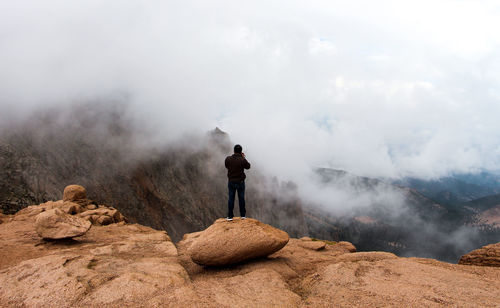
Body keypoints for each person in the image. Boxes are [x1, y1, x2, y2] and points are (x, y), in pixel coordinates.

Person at [224, 144, 251, 221]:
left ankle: (230, 216)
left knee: (231, 199)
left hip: (231, 181)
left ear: (234, 150)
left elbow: (226, 166)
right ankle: (243, 215)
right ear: (241, 151)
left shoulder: (228, 159)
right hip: (240, 182)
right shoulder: (242, 160)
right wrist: (243, 157)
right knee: (241, 198)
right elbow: (248, 166)